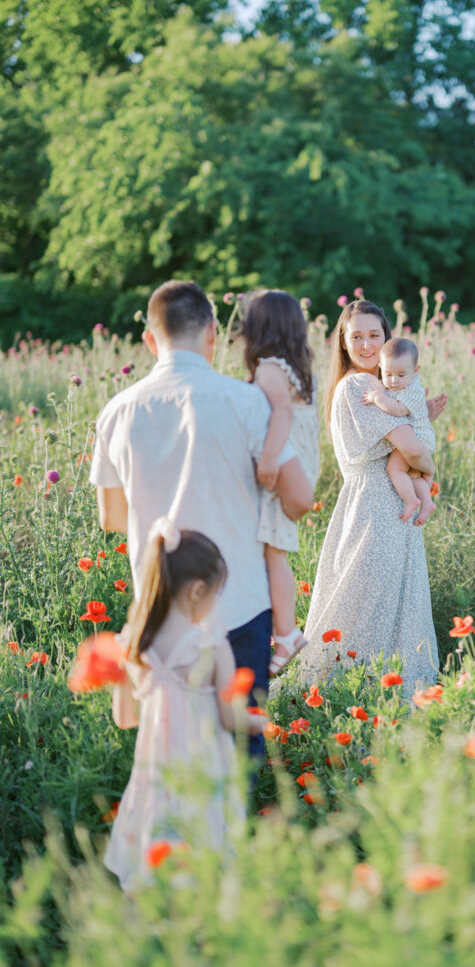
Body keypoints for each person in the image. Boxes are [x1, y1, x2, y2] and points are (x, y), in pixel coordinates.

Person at [90, 280, 313, 766]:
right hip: (241, 602)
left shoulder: (116, 412)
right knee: (240, 749)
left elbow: (112, 518)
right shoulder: (247, 402)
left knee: (172, 748)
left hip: (162, 607)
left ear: (150, 340)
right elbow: (298, 500)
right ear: (213, 331)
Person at [105, 520, 267, 890]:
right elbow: (230, 718)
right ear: (197, 591)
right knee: (205, 840)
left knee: (157, 835)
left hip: (155, 769)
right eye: (215, 594)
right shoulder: (209, 645)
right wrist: (259, 723)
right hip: (203, 765)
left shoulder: (131, 645)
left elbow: (124, 718)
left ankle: (147, 910)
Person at [297, 299, 446, 696]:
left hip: (382, 504)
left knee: (377, 604)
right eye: (356, 336)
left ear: (386, 340)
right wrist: (427, 465)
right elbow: (410, 448)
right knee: (370, 607)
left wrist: (419, 418)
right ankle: (366, 700)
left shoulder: (381, 387)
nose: (366, 345)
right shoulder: (361, 385)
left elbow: (402, 434)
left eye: (374, 336)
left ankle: (370, 701)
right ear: (342, 343)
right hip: (377, 507)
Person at [240, 290, 320, 676]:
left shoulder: (270, 366)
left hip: (287, 461)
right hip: (304, 462)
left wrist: (269, 458)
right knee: (276, 552)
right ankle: (284, 631)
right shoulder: (298, 366)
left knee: (274, 554)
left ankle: (287, 633)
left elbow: (282, 413)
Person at [362, 336, 436, 526]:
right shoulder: (401, 385)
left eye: (400, 375)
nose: (393, 380)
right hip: (417, 438)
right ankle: (427, 503)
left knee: (394, 468)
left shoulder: (413, 390)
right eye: (388, 374)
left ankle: (412, 500)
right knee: (413, 474)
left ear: (415, 371)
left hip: (417, 439)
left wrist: (376, 397)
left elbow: (397, 410)